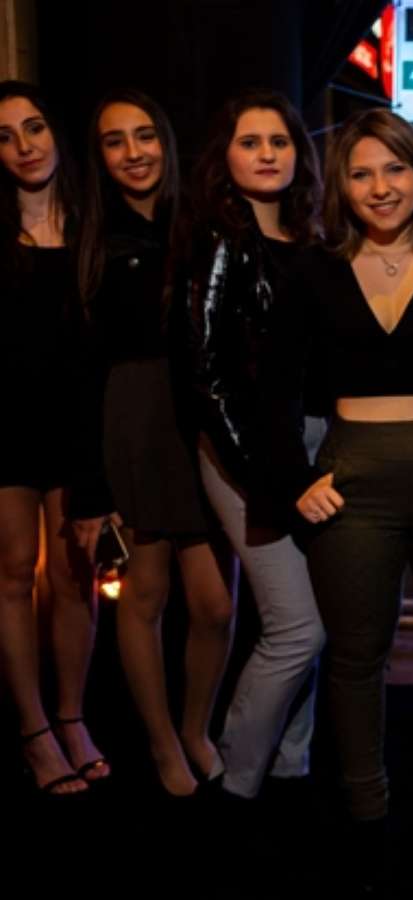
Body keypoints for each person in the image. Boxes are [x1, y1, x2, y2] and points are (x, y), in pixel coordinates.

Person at [267, 108, 413, 893]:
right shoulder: (312, 271)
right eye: (361, 173)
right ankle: (364, 814)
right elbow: (273, 390)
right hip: (353, 490)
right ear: (341, 186)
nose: (380, 187)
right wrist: (293, 480)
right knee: (356, 656)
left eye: (394, 168)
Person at [73, 89, 231, 798]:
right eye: (115, 141)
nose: (134, 152)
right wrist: (90, 484)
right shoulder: (92, 237)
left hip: (202, 417)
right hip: (134, 418)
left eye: (144, 136)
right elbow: (80, 368)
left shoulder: (202, 222)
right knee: (146, 593)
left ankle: (195, 728)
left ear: (166, 141)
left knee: (216, 604)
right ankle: (163, 744)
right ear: (100, 156)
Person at [179, 89, 327, 799]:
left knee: (318, 620)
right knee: (298, 628)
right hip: (246, 454)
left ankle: (290, 770)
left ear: (300, 154)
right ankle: (237, 779)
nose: (267, 154)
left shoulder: (317, 241)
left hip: (316, 446)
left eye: (279, 141)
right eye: (250, 142)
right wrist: (262, 474)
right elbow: (205, 374)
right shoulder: (220, 242)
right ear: (225, 156)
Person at [0, 80, 104, 796]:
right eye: (5, 136)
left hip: (76, 425)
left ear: (56, 133)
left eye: (33, 127)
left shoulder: (94, 224)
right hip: (5, 424)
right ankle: (33, 731)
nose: (24, 146)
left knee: (74, 580)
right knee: (13, 573)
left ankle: (71, 718)